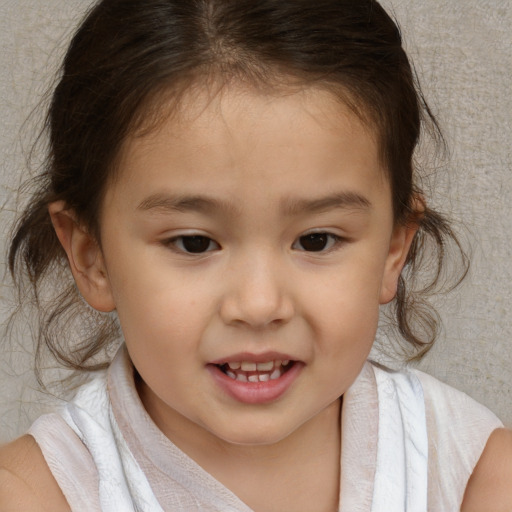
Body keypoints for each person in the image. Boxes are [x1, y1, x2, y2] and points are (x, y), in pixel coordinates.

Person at [0, 0, 511, 510]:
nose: (260, 304)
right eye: (194, 242)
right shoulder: (35, 494)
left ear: (393, 250)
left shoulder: (473, 479)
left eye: (316, 240)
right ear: (92, 257)